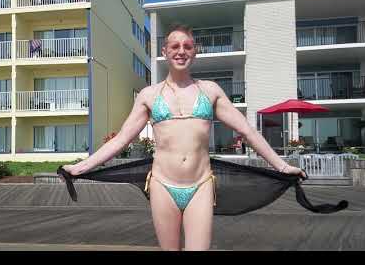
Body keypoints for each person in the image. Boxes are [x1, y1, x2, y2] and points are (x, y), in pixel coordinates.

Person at [62, 24, 306, 251]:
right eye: (175, 46)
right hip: (162, 185)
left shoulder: (210, 91)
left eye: (187, 46)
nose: (181, 51)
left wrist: (283, 166)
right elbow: (121, 140)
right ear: (165, 52)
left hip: (200, 186)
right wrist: (80, 167)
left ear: (195, 52)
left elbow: (248, 132)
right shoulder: (149, 95)